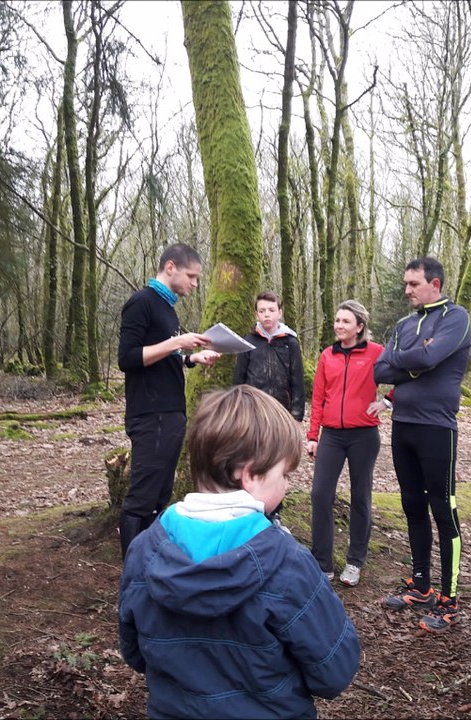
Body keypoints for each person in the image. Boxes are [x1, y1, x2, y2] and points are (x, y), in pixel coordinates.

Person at [118, 386, 361, 718]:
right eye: (284, 474)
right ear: (249, 475)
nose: (287, 484)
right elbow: (334, 671)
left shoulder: (146, 549)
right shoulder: (288, 564)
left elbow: (134, 653)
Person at [374, 257, 471, 632]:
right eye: (405, 284)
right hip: (403, 426)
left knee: (442, 509)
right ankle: (422, 585)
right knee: (412, 506)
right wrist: (415, 363)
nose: (407, 290)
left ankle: (449, 599)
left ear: (434, 283)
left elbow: (431, 355)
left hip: (437, 428)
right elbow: (381, 370)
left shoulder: (455, 317)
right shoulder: (403, 324)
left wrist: (411, 362)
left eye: (413, 284)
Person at [116, 243, 221, 556]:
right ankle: (133, 573)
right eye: (192, 276)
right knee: (142, 497)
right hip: (151, 415)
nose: (195, 283)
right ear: (171, 267)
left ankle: (153, 566)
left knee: (160, 495)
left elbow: (163, 359)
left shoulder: (168, 308)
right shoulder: (141, 303)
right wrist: (177, 341)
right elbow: (128, 358)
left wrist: (190, 359)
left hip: (172, 412)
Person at [306, 300, 384, 586]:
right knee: (320, 495)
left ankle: (354, 561)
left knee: (360, 497)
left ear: (359, 327)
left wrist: (387, 402)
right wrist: (313, 436)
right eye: (337, 320)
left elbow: (402, 376)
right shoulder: (328, 355)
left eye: (346, 322)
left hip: (364, 435)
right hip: (332, 435)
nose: (339, 325)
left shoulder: (375, 353)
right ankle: (322, 562)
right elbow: (317, 397)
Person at [233, 290, 306, 421]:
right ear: (256, 314)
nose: (267, 315)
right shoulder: (248, 342)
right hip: (253, 410)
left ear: (280, 313)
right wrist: (238, 411)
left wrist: (297, 416)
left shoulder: (291, 342)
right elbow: (239, 380)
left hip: (282, 411)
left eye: (271, 310)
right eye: (262, 311)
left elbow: (297, 381)